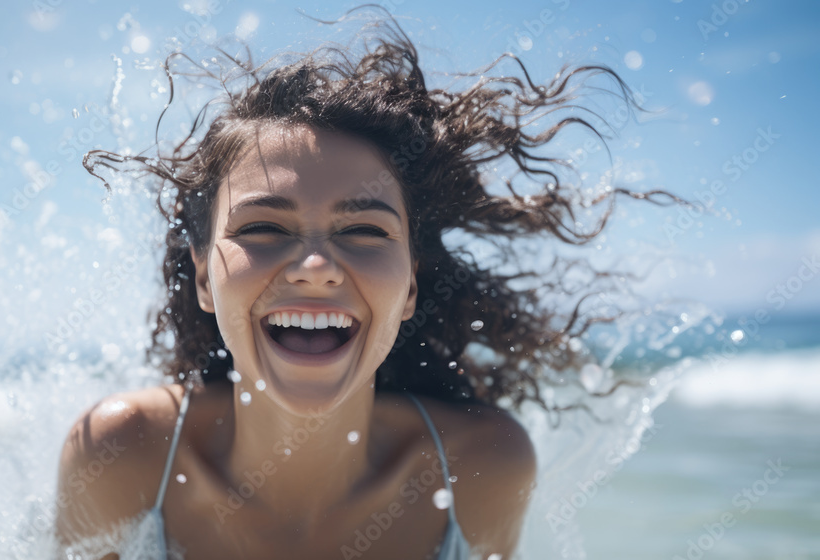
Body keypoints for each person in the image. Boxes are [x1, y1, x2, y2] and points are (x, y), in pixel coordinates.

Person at [53, 6, 675, 559]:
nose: (316, 266)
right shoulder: (123, 457)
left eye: (365, 232)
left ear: (408, 288)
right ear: (204, 278)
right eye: (264, 227)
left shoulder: (482, 471)